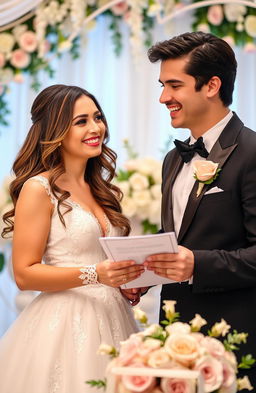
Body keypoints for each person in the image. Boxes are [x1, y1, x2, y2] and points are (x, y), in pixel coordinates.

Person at [0, 84, 144, 393]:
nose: (96, 128)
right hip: (65, 323)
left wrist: (124, 278)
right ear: (56, 130)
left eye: (97, 117)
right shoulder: (39, 189)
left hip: (116, 316)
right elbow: (24, 274)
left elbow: (104, 260)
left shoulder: (101, 189)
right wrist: (96, 274)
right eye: (81, 121)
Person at [143, 31, 256, 384]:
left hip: (235, 337)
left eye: (174, 85)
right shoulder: (171, 160)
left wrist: (198, 264)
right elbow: (175, 242)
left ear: (211, 86)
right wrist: (144, 275)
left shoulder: (252, 152)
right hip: (174, 338)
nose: (164, 97)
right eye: (162, 86)